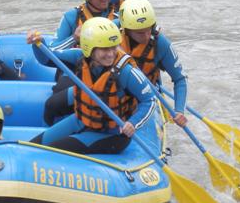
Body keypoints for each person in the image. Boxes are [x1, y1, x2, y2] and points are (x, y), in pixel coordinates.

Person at [29, 17, 155, 155]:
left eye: (113, 47)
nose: (111, 54)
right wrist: (38, 44)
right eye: (104, 49)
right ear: (89, 48)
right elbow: (47, 58)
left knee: (50, 151)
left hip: (112, 135)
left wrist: (133, 123)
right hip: (82, 121)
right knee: (34, 146)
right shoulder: (79, 57)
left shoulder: (126, 72)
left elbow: (149, 100)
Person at [118, 0, 187, 126]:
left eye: (148, 30)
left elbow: (180, 79)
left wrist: (179, 111)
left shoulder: (160, 43)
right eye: (139, 33)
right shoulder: (112, 37)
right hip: (119, 98)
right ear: (126, 30)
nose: (146, 36)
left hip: (148, 98)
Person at [52, 0, 146, 51]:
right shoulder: (71, 17)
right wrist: (74, 38)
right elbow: (52, 50)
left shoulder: (119, 17)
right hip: (81, 64)